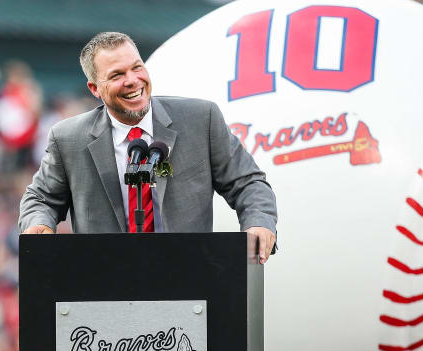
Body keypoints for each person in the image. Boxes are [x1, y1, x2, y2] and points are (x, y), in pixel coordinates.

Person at [19, 32, 277, 263]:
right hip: (104, 286)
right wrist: (38, 224)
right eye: (117, 75)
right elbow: (40, 198)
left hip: (191, 278)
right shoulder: (68, 138)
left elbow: (248, 183)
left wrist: (259, 223)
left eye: (137, 67)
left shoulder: (202, 119)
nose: (133, 80)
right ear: (95, 89)